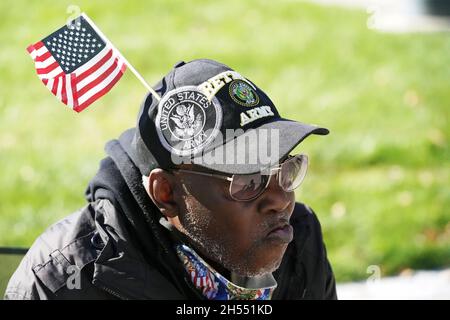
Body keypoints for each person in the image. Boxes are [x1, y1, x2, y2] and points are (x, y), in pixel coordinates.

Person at [5, 59, 336, 300]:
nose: (281, 200)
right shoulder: (65, 281)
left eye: (285, 168)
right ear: (167, 193)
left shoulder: (299, 241)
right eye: (248, 180)